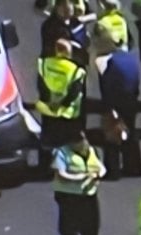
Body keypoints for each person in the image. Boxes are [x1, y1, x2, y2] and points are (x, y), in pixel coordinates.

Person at [53, 131, 106, 235]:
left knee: (91, 230)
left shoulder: (91, 151)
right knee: (69, 232)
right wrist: (81, 177)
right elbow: (61, 174)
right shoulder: (61, 153)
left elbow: (100, 167)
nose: (82, 144)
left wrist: (99, 173)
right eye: (78, 143)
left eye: (83, 141)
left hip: (89, 197)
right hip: (69, 198)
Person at [36, 39, 88, 168]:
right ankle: (76, 165)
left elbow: (41, 85)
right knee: (72, 140)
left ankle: (44, 167)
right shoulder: (75, 70)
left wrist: (50, 102)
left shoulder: (45, 64)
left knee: (47, 140)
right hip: (68, 112)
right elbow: (74, 92)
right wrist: (63, 104)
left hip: (49, 110)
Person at [98, 44, 141, 179]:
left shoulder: (112, 63)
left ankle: (113, 170)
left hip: (117, 100)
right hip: (131, 99)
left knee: (112, 134)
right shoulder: (131, 59)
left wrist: (108, 106)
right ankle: (135, 166)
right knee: (130, 131)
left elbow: (108, 84)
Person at [40, 0, 92, 65]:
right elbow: (51, 49)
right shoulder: (50, 25)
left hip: (74, 63)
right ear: (57, 8)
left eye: (70, 8)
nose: (68, 10)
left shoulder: (75, 22)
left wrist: (83, 19)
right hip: (55, 64)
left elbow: (93, 15)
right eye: (64, 8)